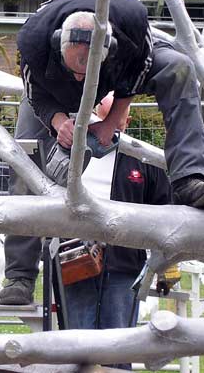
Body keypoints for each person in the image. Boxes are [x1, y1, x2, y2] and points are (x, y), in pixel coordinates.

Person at [0, 0, 204, 305]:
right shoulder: (34, 38)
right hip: (53, 93)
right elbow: (35, 94)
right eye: (75, 71)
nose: (82, 78)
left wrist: (113, 120)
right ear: (57, 44)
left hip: (118, 73)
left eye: (85, 73)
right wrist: (56, 122)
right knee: (25, 160)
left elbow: (139, 71)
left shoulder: (131, 23)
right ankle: (19, 274)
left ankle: (189, 178)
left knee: (179, 68)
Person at [65, 94, 171, 370]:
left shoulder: (145, 159)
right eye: (103, 114)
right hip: (76, 262)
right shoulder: (72, 152)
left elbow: (166, 212)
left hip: (126, 265)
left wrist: (166, 265)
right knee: (78, 344)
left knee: (120, 346)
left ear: (127, 119)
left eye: (116, 115)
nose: (108, 122)